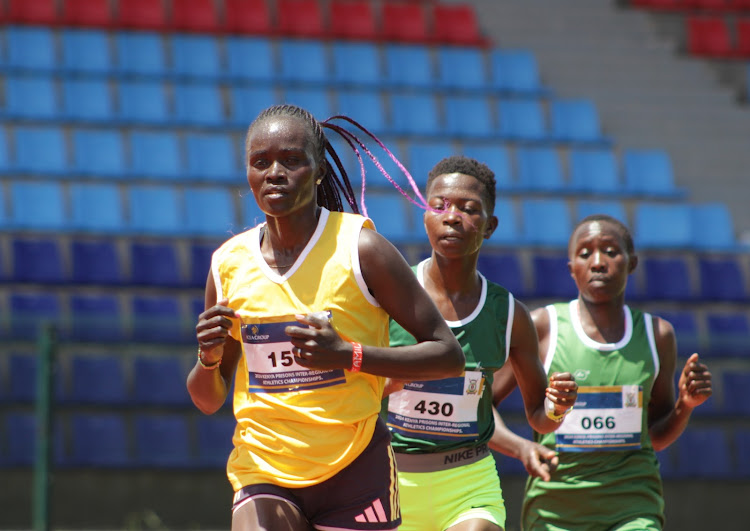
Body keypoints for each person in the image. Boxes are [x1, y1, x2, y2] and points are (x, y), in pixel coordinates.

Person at [186, 104, 466, 531]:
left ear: (318, 171)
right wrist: (208, 358)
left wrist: (348, 356)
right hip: (264, 468)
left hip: (356, 470)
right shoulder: (228, 265)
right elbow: (208, 400)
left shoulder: (362, 248)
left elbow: (447, 355)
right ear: (247, 173)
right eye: (261, 162)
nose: (274, 172)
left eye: (292, 160)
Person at [380, 156, 578, 531]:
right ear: (424, 215)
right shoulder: (389, 296)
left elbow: (539, 413)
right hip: (389, 480)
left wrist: (556, 409)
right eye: (438, 205)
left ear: (489, 226)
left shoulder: (509, 315)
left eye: (469, 209)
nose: (451, 216)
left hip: (468, 481)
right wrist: (395, 380)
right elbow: (354, 390)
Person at [504, 214, 713, 530]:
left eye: (611, 251)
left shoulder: (657, 335)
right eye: (585, 253)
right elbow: (482, 404)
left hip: (633, 508)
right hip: (555, 512)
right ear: (572, 268)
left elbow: (654, 436)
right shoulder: (542, 328)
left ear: (632, 263)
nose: (598, 262)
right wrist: (522, 447)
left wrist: (686, 405)